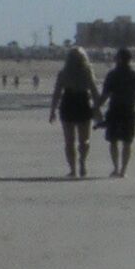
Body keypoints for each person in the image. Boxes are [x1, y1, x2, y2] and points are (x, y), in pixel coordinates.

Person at [50, 44, 97, 179]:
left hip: (68, 103)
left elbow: (57, 93)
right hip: (82, 103)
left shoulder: (64, 73)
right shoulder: (87, 71)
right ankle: (82, 162)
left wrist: (52, 110)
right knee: (84, 140)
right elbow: (94, 91)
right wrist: (97, 107)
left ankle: (73, 169)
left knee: (69, 141)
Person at [98, 46, 135, 178]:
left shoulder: (112, 75)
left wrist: (96, 107)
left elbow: (105, 94)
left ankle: (116, 168)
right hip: (129, 110)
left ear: (118, 59)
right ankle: (123, 170)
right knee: (127, 141)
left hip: (115, 109)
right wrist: (130, 96)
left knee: (113, 140)